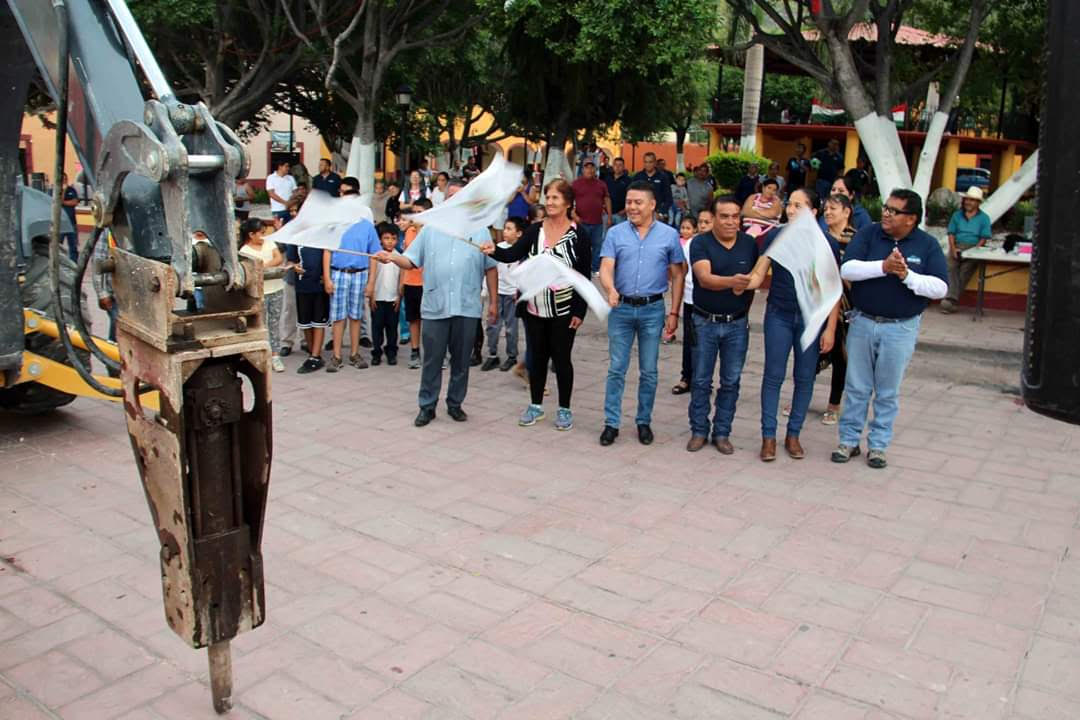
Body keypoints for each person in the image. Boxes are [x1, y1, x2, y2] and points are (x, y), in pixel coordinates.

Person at [831, 189, 948, 468]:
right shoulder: (869, 234)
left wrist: (906, 275)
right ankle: (848, 441)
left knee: (887, 391)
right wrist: (883, 266)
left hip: (900, 329)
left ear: (911, 219)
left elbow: (940, 287)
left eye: (894, 211)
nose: (886, 213)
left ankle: (878, 446)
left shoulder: (927, 245)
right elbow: (848, 270)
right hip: (863, 322)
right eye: (886, 207)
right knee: (857, 386)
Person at [374, 181, 498, 426]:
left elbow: (491, 268)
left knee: (461, 360)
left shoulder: (480, 230)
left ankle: (455, 403)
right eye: (451, 196)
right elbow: (411, 261)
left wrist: (493, 302)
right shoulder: (431, 229)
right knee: (432, 359)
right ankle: (427, 406)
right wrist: (392, 258)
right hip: (435, 305)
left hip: (467, 305)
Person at [742, 188, 840, 461]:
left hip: (811, 319)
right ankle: (769, 437)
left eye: (799, 206)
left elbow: (833, 290)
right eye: (790, 205)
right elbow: (759, 272)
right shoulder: (776, 235)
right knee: (773, 375)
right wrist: (737, 283)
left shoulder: (826, 243)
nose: (791, 210)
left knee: (805, 377)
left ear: (814, 212)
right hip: (779, 314)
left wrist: (830, 329)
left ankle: (793, 434)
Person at [484, 181, 591, 432]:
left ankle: (564, 409)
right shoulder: (535, 230)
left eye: (555, 198)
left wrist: (579, 311)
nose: (550, 202)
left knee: (562, 359)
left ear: (567, 202)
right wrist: (493, 250)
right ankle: (536, 406)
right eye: (548, 197)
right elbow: (512, 254)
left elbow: (583, 275)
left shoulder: (578, 235)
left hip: (564, 310)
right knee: (538, 357)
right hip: (534, 307)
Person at [598, 181, 685, 446]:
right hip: (621, 309)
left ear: (652, 205)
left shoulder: (669, 235)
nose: (631, 207)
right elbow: (606, 266)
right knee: (616, 368)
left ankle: (643, 421)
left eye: (637, 202)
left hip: (652, 310)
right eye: (629, 202)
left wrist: (674, 312)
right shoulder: (615, 233)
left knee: (649, 371)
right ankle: (611, 423)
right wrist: (610, 289)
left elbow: (679, 274)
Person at [685, 196, 757, 454]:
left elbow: (756, 277)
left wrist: (745, 295)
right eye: (724, 216)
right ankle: (699, 430)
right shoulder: (700, 243)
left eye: (735, 216)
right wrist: (734, 282)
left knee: (731, 381)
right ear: (713, 218)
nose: (730, 221)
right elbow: (704, 278)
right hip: (704, 322)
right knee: (701, 380)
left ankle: (722, 432)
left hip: (737, 325)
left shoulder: (749, 244)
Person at [323, 216, 381, 372]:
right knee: (338, 316)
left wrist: (371, 282)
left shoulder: (367, 226)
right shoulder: (334, 223)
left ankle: (354, 353)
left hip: (359, 273)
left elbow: (374, 254)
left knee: (356, 316)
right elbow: (327, 251)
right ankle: (336, 355)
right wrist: (327, 278)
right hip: (339, 272)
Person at [819, 193, 856, 426]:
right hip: (818, 304)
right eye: (826, 209)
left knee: (841, 358)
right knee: (810, 354)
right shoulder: (819, 238)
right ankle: (801, 396)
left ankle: (834, 404)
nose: (828, 212)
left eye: (833, 208)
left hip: (847, 306)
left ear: (847, 212)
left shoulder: (857, 241)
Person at [238, 218, 286, 373]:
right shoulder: (245, 251)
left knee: (274, 323)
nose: (263, 236)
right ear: (251, 235)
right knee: (261, 324)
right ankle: (262, 353)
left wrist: (262, 267)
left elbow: (278, 258)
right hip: (259, 293)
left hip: (276, 288)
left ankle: (275, 354)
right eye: (261, 233)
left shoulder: (269, 244)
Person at [481, 216, 526, 372]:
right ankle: (492, 355)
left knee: (511, 328)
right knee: (492, 325)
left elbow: (525, 275)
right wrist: (485, 290)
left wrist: (519, 291)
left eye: (509, 229)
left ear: (519, 233)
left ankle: (512, 356)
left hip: (512, 296)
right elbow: (490, 270)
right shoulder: (498, 248)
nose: (505, 232)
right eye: (505, 228)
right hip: (497, 294)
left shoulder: (522, 251)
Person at [940, 186, 992, 314]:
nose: (969, 202)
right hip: (957, 245)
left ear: (978, 203)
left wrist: (975, 250)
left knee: (965, 271)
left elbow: (984, 237)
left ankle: (950, 300)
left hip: (974, 247)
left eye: (973, 200)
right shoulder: (957, 215)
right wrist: (953, 248)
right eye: (967, 200)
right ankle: (950, 302)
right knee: (950, 266)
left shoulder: (984, 218)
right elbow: (951, 233)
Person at [286, 237, 329, 373]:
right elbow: (291, 260)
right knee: (305, 322)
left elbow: (329, 257)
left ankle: (315, 356)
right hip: (302, 285)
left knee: (318, 321)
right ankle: (312, 352)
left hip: (320, 285)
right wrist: (294, 266)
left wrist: (327, 277)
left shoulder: (323, 236)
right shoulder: (296, 238)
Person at [399, 198, 430, 369]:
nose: (416, 216)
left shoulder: (433, 231)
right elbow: (407, 255)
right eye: (415, 213)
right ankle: (415, 350)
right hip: (412, 280)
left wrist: (420, 229)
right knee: (413, 318)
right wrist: (402, 281)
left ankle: (434, 352)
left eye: (420, 213)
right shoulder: (409, 231)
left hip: (429, 281)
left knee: (431, 319)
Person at [368, 223, 404, 366]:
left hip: (392, 299)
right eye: (386, 238)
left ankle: (391, 352)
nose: (390, 241)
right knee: (377, 327)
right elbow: (371, 277)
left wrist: (399, 297)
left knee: (392, 328)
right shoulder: (376, 256)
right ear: (380, 239)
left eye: (393, 238)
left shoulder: (399, 256)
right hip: (377, 299)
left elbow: (402, 278)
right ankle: (376, 352)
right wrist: (371, 297)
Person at [671, 216, 699, 396]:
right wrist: (674, 310)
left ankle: (703, 380)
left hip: (710, 302)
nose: (704, 225)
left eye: (707, 222)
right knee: (689, 341)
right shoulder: (689, 245)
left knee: (706, 344)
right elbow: (681, 273)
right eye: (702, 222)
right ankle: (686, 377)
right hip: (690, 298)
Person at [571, 161, 610, 273]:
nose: (589, 170)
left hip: (597, 222)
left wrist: (610, 216)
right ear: (583, 170)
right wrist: (573, 215)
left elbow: (607, 199)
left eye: (591, 167)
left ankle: (595, 268)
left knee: (597, 247)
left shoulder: (601, 184)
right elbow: (569, 200)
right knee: (582, 247)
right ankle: (581, 268)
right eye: (586, 167)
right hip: (581, 221)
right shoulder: (576, 184)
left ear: (595, 170)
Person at [631, 153, 673, 223]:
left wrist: (660, 213)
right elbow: (632, 195)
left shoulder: (663, 177)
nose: (648, 164)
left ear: (655, 163)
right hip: (640, 215)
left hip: (658, 216)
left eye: (650, 162)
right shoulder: (638, 177)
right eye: (646, 162)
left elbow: (669, 198)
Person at [605, 157, 632, 226]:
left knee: (620, 235)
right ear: (613, 166)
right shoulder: (607, 179)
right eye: (615, 165)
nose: (617, 167)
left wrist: (625, 210)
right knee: (605, 235)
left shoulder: (628, 181)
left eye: (620, 165)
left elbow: (631, 197)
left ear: (623, 167)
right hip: (607, 214)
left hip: (620, 215)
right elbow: (602, 194)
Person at [60, 174, 79, 260]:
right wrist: (63, 191)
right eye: (63, 179)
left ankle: (74, 263)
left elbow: (75, 202)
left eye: (65, 179)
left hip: (72, 223)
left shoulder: (72, 190)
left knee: (73, 246)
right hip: (60, 224)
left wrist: (63, 202)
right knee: (58, 245)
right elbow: (57, 201)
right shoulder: (54, 190)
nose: (65, 181)